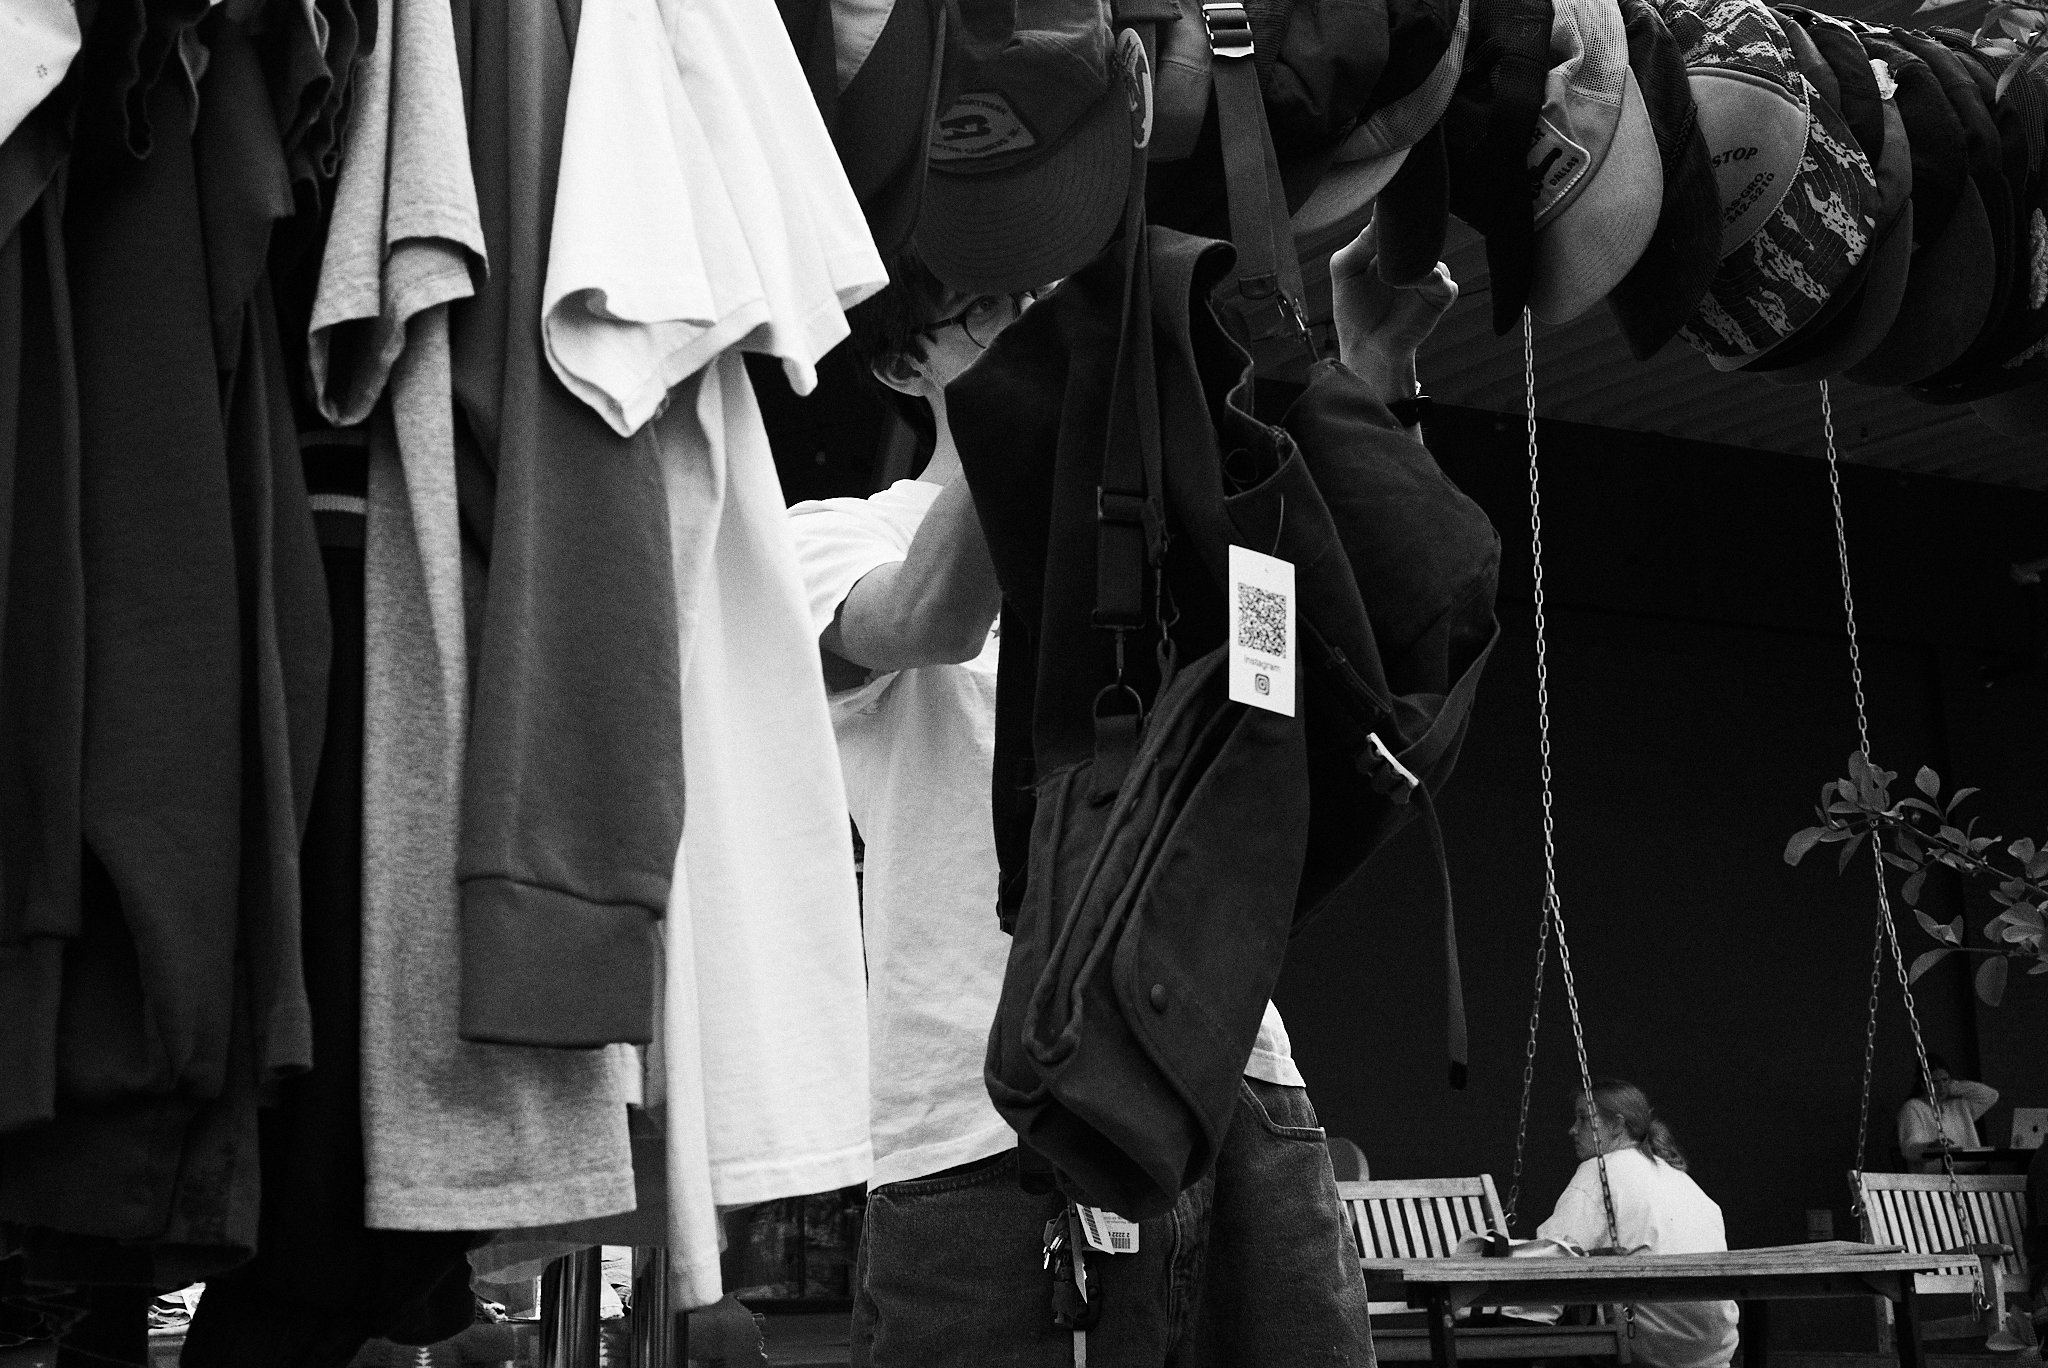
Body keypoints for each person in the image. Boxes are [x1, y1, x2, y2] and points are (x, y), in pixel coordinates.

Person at [788, 225, 1457, 1366]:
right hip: (979, 1119)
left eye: (1040, 304)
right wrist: (1066, 359)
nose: (1035, 333)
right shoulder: (837, 537)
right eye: (991, 314)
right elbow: (926, 622)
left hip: (1237, 1083)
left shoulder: (1152, 534)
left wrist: (1368, 365)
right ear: (903, 365)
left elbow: (1328, 651)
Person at [1523, 1081, 1740, 1368]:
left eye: (1584, 1118)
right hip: (1713, 1344)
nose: (1572, 1130)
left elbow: (1551, 1255)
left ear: (1616, 1125)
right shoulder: (1675, 1175)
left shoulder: (1599, 1172)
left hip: (1653, 1342)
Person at [1898, 1054, 2000, 1173]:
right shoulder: (1913, 1107)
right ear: (1923, 1084)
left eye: (1945, 1080)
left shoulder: (1959, 1105)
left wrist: (1954, 1087)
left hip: (1966, 1174)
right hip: (1932, 1180)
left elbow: (1991, 1095)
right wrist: (1931, 1147)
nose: (1941, 1086)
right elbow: (1909, 1148)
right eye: (1935, 1082)